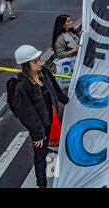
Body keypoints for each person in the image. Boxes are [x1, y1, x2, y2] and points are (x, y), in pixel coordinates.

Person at [9, 45, 69, 188]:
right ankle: (41, 184)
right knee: (40, 154)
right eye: (35, 62)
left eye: (39, 60)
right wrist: (37, 134)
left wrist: (71, 102)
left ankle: (47, 149)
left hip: (48, 118)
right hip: (38, 124)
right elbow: (27, 113)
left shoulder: (45, 73)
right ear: (26, 65)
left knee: (45, 147)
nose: (40, 63)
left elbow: (57, 91)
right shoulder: (21, 85)